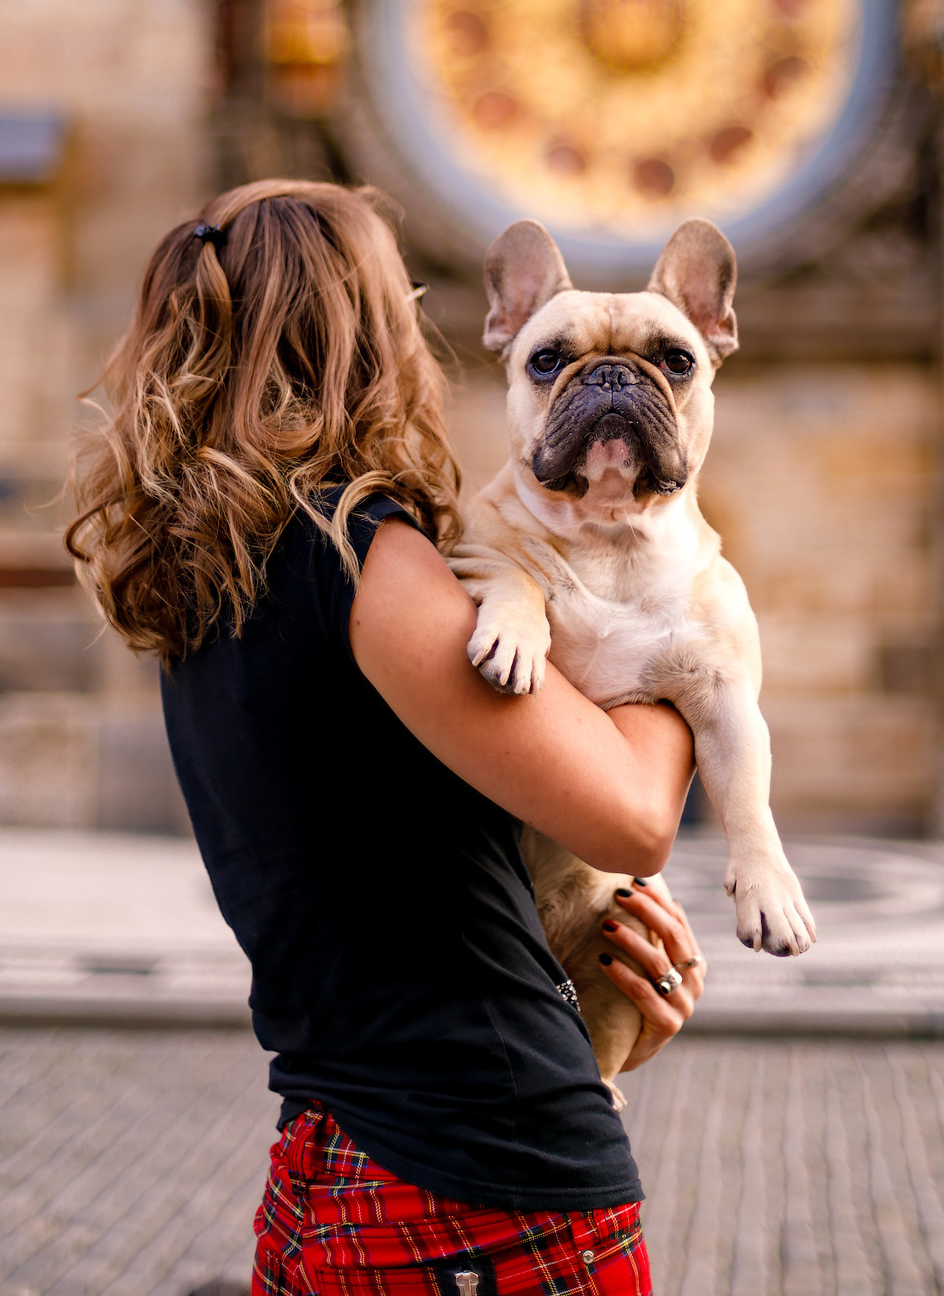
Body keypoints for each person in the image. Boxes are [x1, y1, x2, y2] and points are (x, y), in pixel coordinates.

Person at [66, 178, 706, 1296]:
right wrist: (682, 631)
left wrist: (584, 1002)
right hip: (482, 1181)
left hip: (329, 1159)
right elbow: (634, 816)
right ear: (368, 333)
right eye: (402, 298)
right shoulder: (368, 555)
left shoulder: (197, 569)